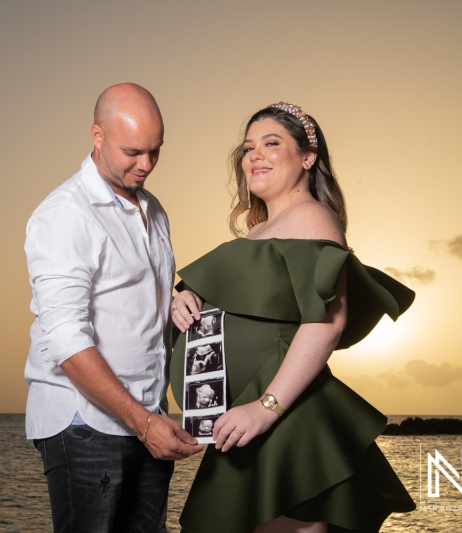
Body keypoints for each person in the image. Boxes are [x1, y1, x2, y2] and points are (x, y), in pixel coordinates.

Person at [170, 102, 416, 533]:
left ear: (307, 157)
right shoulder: (262, 228)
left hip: (282, 417)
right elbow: (250, 298)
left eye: (271, 143)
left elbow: (326, 323)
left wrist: (265, 409)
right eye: (248, 147)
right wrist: (188, 299)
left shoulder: (311, 218)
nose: (254, 155)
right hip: (249, 420)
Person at [24, 83, 203, 533]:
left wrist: (176, 301)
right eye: (133, 151)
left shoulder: (155, 210)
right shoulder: (65, 214)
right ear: (97, 136)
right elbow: (65, 338)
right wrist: (144, 424)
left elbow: (138, 300)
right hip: (84, 423)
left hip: (147, 417)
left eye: (155, 151)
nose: (146, 164)